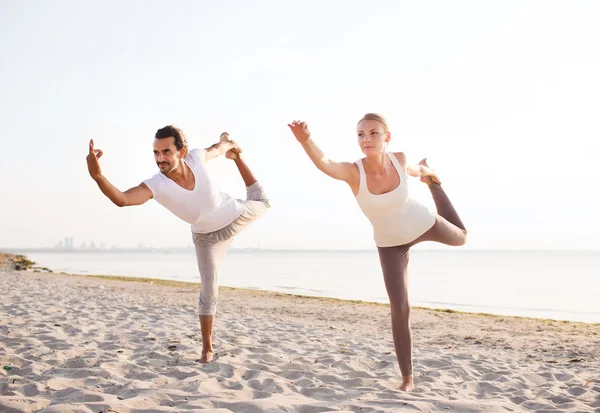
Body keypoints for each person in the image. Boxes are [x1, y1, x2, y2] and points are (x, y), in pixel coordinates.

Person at [288, 113, 466, 391]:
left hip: (422, 223)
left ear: (387, 137)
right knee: (400, 308)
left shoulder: (400, 158)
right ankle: (408, 377)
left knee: (461, 238)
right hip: (390, 244)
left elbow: (416, 170)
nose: (366, 139)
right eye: (360, 134)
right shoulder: (353, 172)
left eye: (373, 133)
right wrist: (306, 140)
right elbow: (326, 163)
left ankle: (436, 187)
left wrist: (429, 174)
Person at [86, 125, 270, 363]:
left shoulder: (196, 157)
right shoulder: (156, 185)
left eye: (166, 152)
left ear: (181, 152)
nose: (160, 158)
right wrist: (98, 176)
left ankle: (238, 159)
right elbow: (123, 199)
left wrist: (230, 146)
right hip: (206, 238)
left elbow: (217, 148)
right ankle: (207, 349)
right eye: (156, 153)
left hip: (234, 215)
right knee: (209, 289)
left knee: (263, 201)